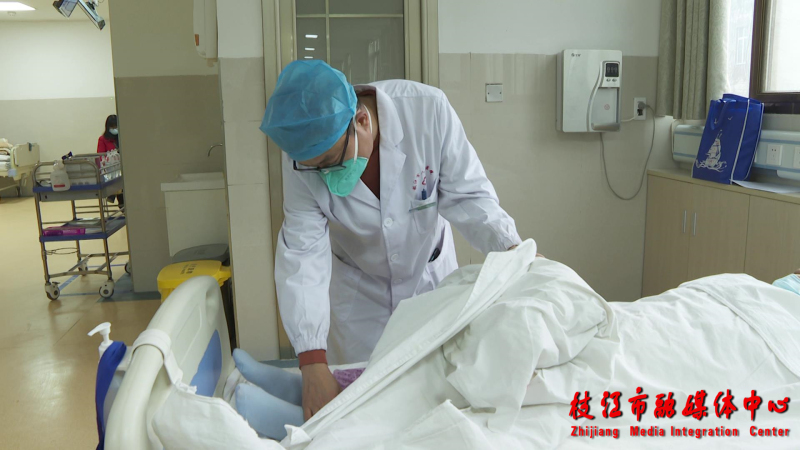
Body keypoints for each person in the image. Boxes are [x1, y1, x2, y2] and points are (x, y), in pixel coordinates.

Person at [260, 60, 523, 420]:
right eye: (315, 168)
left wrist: (513, 250)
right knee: (360, 397)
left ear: (362, 121)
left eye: (331, 161)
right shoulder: (305, 157)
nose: (324, 174)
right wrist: (310, 359)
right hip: (359, 291)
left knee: (437, 386)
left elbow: (471, 198)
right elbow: (303, 252)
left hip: (428, 279)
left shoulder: (427, 111)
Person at [97, 114, 123, 207]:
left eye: (116, 126)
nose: (115, 129)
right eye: (112, 127)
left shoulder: (122, 137)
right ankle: (114, 197)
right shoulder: (103, 139)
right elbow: (100, 156)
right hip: (111, 169)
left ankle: (114, 197)